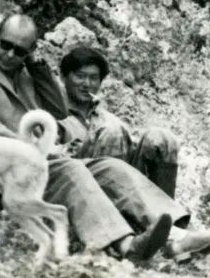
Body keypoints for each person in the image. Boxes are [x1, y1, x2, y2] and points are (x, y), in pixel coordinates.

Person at [0, 14, 210, 264]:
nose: (9, 55)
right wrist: (29, 147)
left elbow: (58, 110)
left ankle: (175, 237)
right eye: (5, 45)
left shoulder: (24, 72)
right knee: (72, 167)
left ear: (30, 51)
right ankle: (125, 246)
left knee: (110, 167)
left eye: (20, 51)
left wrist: (37, 67)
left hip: (31, 162)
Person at [58, 46, 180, 198]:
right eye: (80, 76)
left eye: (93, 78)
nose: (87, 83)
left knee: (162, 138)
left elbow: (132, 152)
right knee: (111, 132)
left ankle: (166, 213)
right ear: (64, 77)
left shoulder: (108, 119)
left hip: (123, 187)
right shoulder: (55, 115)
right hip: (79, 190)